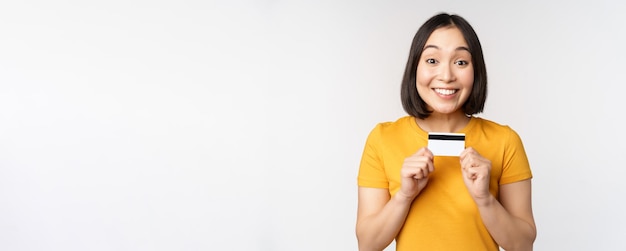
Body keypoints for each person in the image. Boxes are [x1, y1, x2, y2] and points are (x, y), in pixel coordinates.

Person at [355, 12, 536, 251]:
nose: (447, 76)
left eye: (461, 62)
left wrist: (485, 200)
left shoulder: (505, 141)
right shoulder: (382, 139)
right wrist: (404, 196)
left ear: (476, 70)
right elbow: (367, 244)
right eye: (432, 60)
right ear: (415, 68)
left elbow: (523, 245)